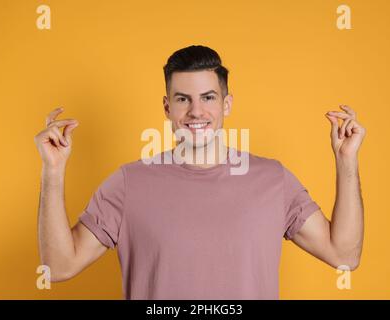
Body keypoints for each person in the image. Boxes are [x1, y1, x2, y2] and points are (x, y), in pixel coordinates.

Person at [34, 45, 366, 299]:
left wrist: (346, 160)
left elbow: (344, 256)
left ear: (227, 104)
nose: (196, 112)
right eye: (183, 99)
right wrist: (53, 171)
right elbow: (60, 266)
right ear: (167, 107)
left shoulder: (273, 180)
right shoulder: (128, 184)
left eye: (208, 97)